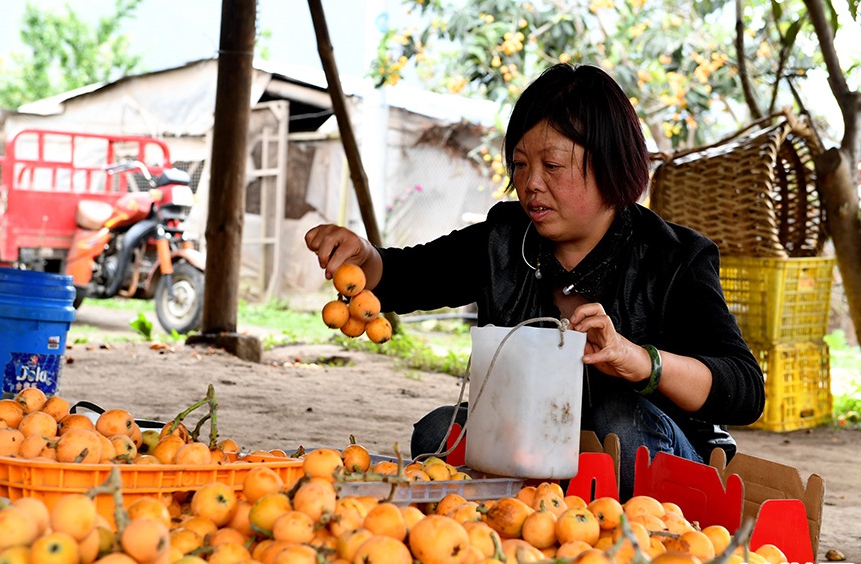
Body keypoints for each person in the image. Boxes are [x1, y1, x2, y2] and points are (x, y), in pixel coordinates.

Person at [305, 62, 765, 498]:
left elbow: (744, 389)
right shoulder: (505, 238)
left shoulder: (674, 256)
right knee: (439, 431)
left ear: (609, 164)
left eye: (553, 165)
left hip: (653, 455)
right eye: (521, 164)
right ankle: (535, 520)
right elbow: (409, 276)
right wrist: (363, 257)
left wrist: (639, 360)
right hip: (535, 441)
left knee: (619, 422)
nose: (531, 183)